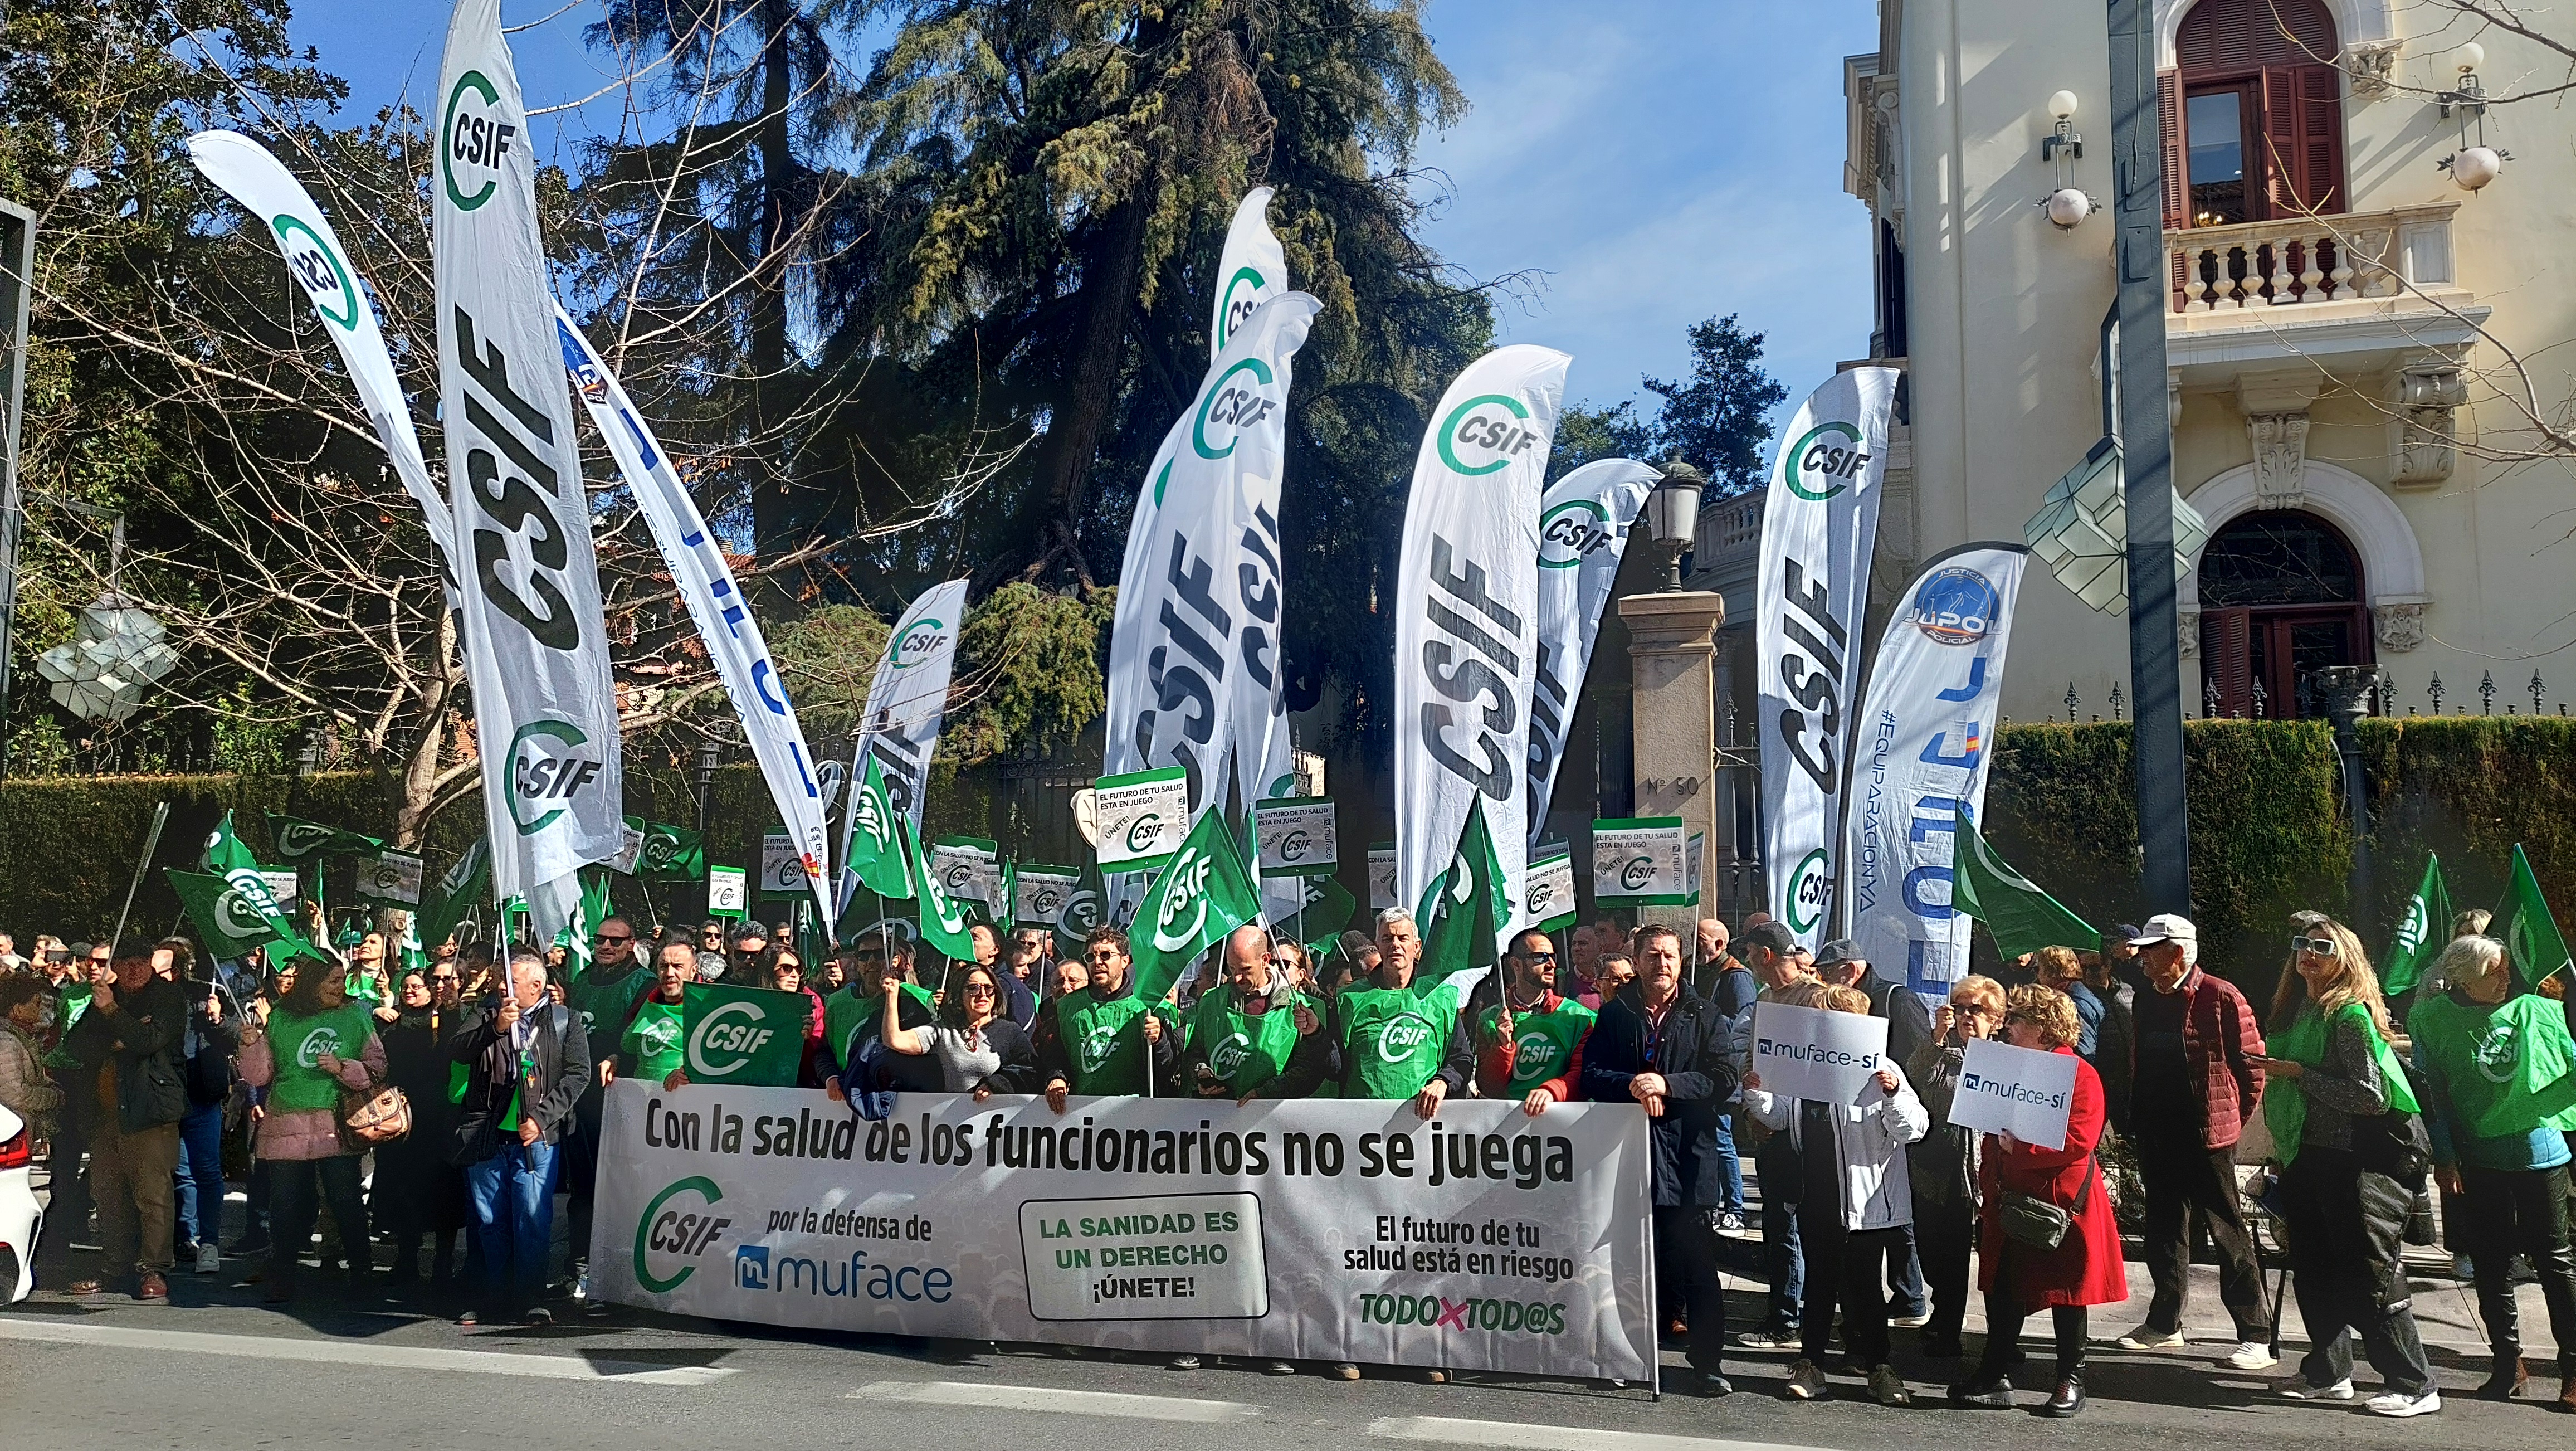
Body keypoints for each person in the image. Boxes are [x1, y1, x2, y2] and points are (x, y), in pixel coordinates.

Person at [2253, 916, 2440, 1418]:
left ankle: (2415, 1382)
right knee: (2312, 1268)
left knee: (2368, 1274)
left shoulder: (2349, 1014)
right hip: (2306, 1156)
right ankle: (2329, 1372)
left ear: (2345, 960)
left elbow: (2371, 1097)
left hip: (2351, 1163)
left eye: (2323, 947)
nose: (2309, 954)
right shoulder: (2297, 1009)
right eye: (2302, 945)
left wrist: (2299, 1074)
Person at [1741, 983, 1929, 1406]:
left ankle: (1881, 1368)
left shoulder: (1883, 1070)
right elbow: (1781, 1116)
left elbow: (1913, 1129)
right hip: (1817, 1198)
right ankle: (1810, 1366)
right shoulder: (1806, 1072)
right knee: (1820, 1286)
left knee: (1865, 1289)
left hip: (1866, 1206)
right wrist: (1756, 1092)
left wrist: (1894, 1095)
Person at [2411, 933, 2576, 1408]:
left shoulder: (2538, 1009)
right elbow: (2433, 1094)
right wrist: (2443, 1156)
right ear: (2461, 978)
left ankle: (2574, 1368)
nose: (2507, 978)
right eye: (2493, 972)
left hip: (2539, 1155)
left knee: (2555, 1262)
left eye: (2507, 968)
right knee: (2490, 1263)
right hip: (2477, 1160)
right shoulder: (2431, 1019)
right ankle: (2508, 1363)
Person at [1949, 984, 2128, 1418]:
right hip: (2009, 1198)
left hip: (2061, 1203)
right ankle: (1994, 1373)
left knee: (2068, 1294)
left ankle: (2072, 1378)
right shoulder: (2009, 1067)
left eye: (2018, 1020)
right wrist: (1989, 1181)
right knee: (2005, 1288)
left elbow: (2079, 1140)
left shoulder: (2080, 1074)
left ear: (2045, 1028)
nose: (2008, 1026)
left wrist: (2021, 1152)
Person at [1581, 922, 1741, 1397]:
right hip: (1626, 1156)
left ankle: (1708, 1362)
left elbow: (1724, 1077)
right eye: (1652, 956)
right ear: (1636, 959)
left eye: (1669, 956)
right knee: (1626, 1263)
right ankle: (1627, 1354)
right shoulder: (1616, 1013)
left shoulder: (1704, 1013)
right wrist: (1631, 1085)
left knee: (1696, 1265)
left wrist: (1668, 1085)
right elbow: (1593, 1075)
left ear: (1681, 960)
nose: (1662, 964)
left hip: (1687, 1155)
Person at [2114, 914, 2274, 1368]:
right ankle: (2165, 1325)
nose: (2142, 959)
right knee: (2164, 1231)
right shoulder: (2144, 997)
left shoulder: (2221, 995)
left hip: (2207, 1139)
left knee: (2228, 1233)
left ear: (2178, 953)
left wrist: (2229, 1123)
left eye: (2151, 950)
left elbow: (2252, 1067)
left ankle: (2255, 1334)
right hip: (2156, 1132)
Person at [449, 951, 589, 1327]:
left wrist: (541, 1120)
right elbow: (458, 1050)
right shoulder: (485, 1012)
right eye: (501, 981)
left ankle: (530, 1297)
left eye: (510, 983)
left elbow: (578, 1075)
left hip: (535, 1140)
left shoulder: (565, 1021)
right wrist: (494, 1028)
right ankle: (490, 1295)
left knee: (531, 1219)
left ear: (536, 986)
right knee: (488, 1219)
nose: (500, 988)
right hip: (486, 1133)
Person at [234, 953, 384, 1303]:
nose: (340, 987)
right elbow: (259, 1076)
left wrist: (343, 1067)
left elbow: (378, 1065)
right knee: (285, 1204)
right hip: (287, 1123)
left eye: (342, 979)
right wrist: (251, 1045)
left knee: (346, 1201)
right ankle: (284, 1275)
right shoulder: (282, 1017)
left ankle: (362, 1272)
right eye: (332, 980)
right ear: (312, 982)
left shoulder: (354, 1015)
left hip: (337, 1123)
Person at [57, 952, 189, 1299]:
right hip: (105, 1113)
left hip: (150, 1111)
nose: (133, 970)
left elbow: (149, 1043)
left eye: (140, 962)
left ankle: (154, 1269)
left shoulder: (169, 998)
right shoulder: (106, 994)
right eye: (126, 963)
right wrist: (115, 1024)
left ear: (150, 965)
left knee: (153, 1195)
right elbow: (77, 1046)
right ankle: (114, 1266)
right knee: (108, 1193)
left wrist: (115, 1016)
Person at [1906, 974, 2006, 1359]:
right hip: (1937, 1166)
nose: (1967, 1015)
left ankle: (1957, 1329)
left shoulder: (2004, 1057)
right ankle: (1942, 1311)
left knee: (1973, 1259)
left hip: (1983, 1173)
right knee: (1934, 1250)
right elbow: (1916, 1079)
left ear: (1996, 1018)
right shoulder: (1942, 1052)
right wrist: (1936, 1036)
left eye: (1976, 1010)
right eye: (1961, 1008)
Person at [1735, 918, 1817, 1349]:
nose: (1746, 961)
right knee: (1778, 1225)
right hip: (1770, 1128)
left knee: (1793, 1226)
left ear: (1765, 955)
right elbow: (1757, 1058)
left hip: (1807, 1135)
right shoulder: (1767, 998)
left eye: (1749, 953)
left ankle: (1789, 1319)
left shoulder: (1816, 998)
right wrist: (1754, 1111)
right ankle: (1787, 1312)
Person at [375, 966, 468, 1289]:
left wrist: (451, 1008)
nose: (412, 991)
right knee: (404, 1193)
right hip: (401, 1122)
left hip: (440, 1120)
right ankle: (406, 1260)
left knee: (443, 1193)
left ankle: (443, 1262)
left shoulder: (447, 1022)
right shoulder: (391, 1024)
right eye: (408, 987)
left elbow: (457, 1048)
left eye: (421, 986)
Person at [1182, 926, 1334, 1104]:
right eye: (1232, 968)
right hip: (1216, 1118)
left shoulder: (1301, 1008)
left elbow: (1308, 1069)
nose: (1237, 978)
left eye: (1245, 969)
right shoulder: (1212, 1001)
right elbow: (1194, 1051)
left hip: (1271, 1120)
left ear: (1265, 960)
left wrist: (1263, 1094)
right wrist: (1201, 1073)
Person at [1038, 927, 1177, 1109]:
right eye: (1090, 957)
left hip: (1135, 1113)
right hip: (1082, 1113)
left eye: (1105, 955)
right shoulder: (1067, 1006)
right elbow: (1056, 1055)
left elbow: (1168, 1067)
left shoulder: (1150, 1007)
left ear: (1125, 961)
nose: (1097, 962)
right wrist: (1057, 1077)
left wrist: (1160, 1039)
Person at [171, 946, 240, 1275]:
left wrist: (219, 1019)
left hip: (204, 1097)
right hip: (168, 1098)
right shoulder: (155, 998)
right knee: (180, 1175)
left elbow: (241, 1038)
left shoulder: (212, 994)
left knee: (208, 1173)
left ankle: (209, 1242)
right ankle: (185, 1238)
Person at [1473, 929, 1591, 1115]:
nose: (1551, 964)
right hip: (1508, 1128)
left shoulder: (1579, 1017)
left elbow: (1582, 1077)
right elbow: (1489, 1088)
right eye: (1540, 958)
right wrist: (1503, 1047)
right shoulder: (1490, 1018)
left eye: (1553, 957)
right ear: (1516, 965)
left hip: (1561, 1123)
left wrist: (1551, 1091)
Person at [617, 942, 697, 1090]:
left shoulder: (704, 1009)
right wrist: (614, 1060)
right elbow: (627, 1047)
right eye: (664, 966)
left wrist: (691, 1074)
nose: (669, 973)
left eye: (678, 967)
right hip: (642, 1100)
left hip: (687, 1106)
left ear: (693, 971)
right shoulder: (649, 1002)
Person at [2033, 947, 2102, 1058]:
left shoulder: (2075, 1002)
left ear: (2052, 972)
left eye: (2038, 969)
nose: (2037, 975)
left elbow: (2085, 1050)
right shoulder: (2075, 993)